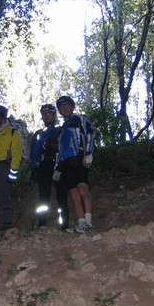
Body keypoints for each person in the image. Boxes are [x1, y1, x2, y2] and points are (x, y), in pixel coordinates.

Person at [53, 95, 95, 234]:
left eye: (67, 105)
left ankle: (88, 222)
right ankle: (81, 223)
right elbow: (59, 150)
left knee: (83, 190)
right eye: (61, 107)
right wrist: (57, 168)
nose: (65, 108)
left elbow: (89, 134)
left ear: (72, 106)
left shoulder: (81, 119)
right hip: (66, 163)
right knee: (74, 194)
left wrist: (89, 153)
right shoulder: (62, 129)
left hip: (79, 157)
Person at [30, 103, 69, 230]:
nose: (46, 116)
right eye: (44, 114)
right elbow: (34, 152)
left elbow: (66, 146)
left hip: (59, 164)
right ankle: (42, 224)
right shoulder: (39, 133)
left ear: (54, 115)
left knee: (61, 194)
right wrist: (34, 168)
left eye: (49, 114)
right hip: (44, 165)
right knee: (43, 196)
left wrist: (64, 164)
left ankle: (64, 224)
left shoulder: (62, 129)